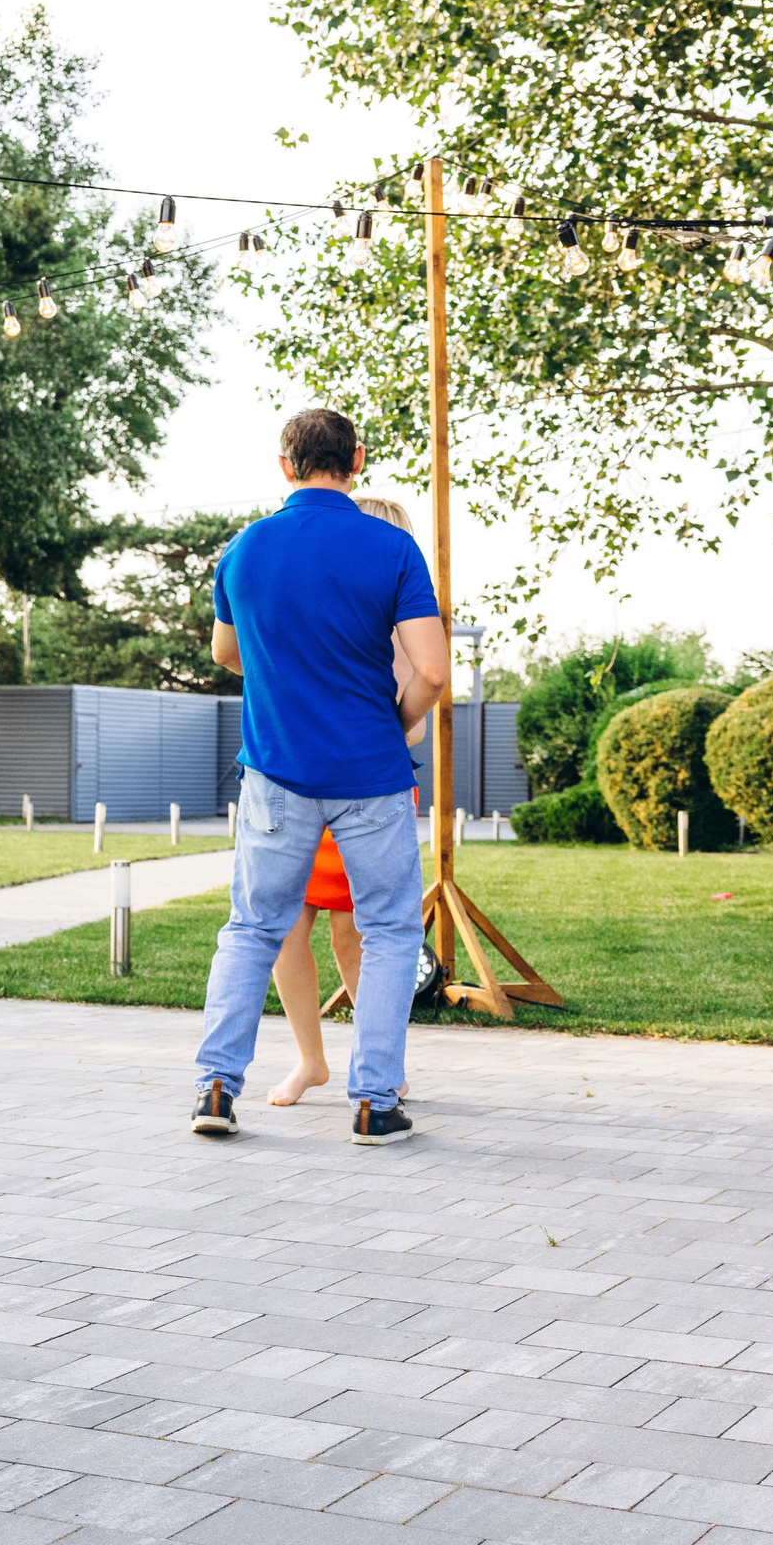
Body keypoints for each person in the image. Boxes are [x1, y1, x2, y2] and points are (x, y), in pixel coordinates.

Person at [193, 410, 447, 1145]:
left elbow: (226, 654)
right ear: (357, 460)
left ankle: (215, 1088)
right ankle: (374, 1102)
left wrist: (284, 666)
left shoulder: (243, 551)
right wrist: (397, 720)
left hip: (276, 772)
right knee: (391, 930)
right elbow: (430, 669)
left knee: (252, 929)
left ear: (285, 467)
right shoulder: (392, 547)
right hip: (370, 772)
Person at [267, 494, 432, 1106]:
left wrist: (369, 731)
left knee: (353, 934)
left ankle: (379, 1060)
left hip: (371, 789)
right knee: (286, 927)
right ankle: (311, 1061)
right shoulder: (328, 625)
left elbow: (414, 727)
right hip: (299, 784)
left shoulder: (410, 633)